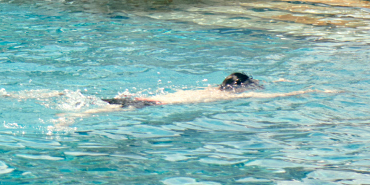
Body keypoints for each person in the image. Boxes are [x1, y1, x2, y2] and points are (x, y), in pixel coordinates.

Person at [104, 72, 263, 108]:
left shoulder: (212, 89)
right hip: (160, 103)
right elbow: (269, 95)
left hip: (158, 98)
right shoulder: (229, 97)